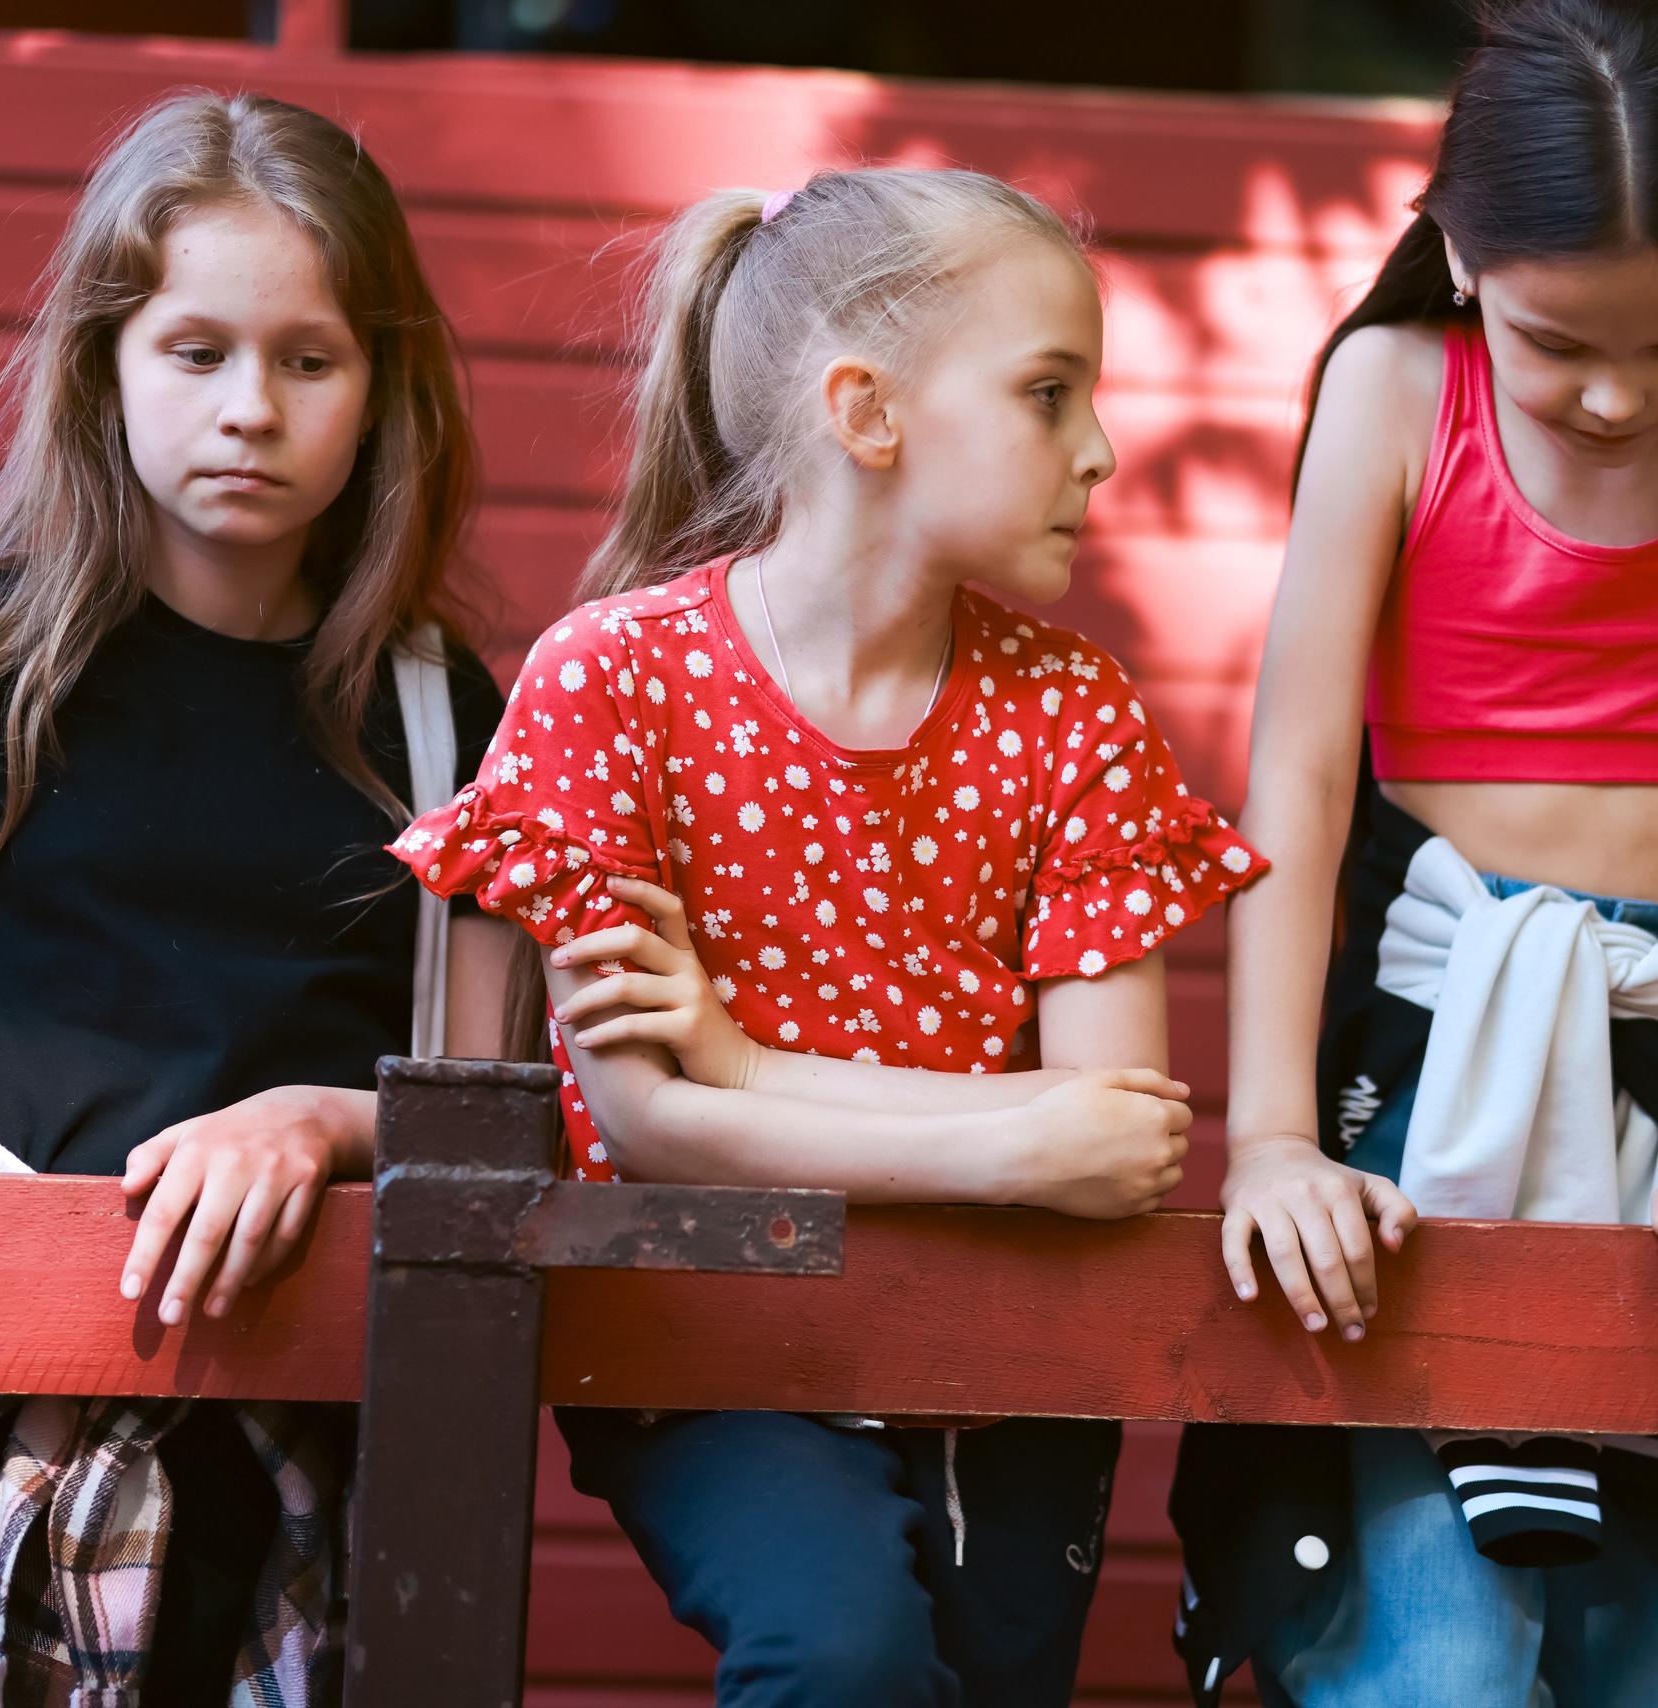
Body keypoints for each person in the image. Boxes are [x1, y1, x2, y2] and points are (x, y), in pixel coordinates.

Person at [387, 165, 1265, 1708]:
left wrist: (744, 1062)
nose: (1104, 450)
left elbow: (1122, 1139)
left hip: (1009, 1365)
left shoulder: (1072, 715)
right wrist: (1004, 1147)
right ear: (869, 412)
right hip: (713, 1341)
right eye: (1050, 394)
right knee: (837, 1656)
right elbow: (649, 1129)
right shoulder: (615, 686)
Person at [1167, 0, 1658, 1702]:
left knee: (1638, 1626)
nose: (1617, 393)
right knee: (1438, 1635)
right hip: (1424, 1057)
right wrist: (1273, 1135)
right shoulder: (1393, 387)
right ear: (1459, 251)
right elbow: (1297, 776)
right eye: (1559, 338)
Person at [0, 93, 511, 1704]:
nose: (252, 408)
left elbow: (498, 1100)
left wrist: (318, 1117)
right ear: (105, 360)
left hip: (310, 1442)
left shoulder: (447, 714)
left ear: (382, 389)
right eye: (196, 352)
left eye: (309, 360)